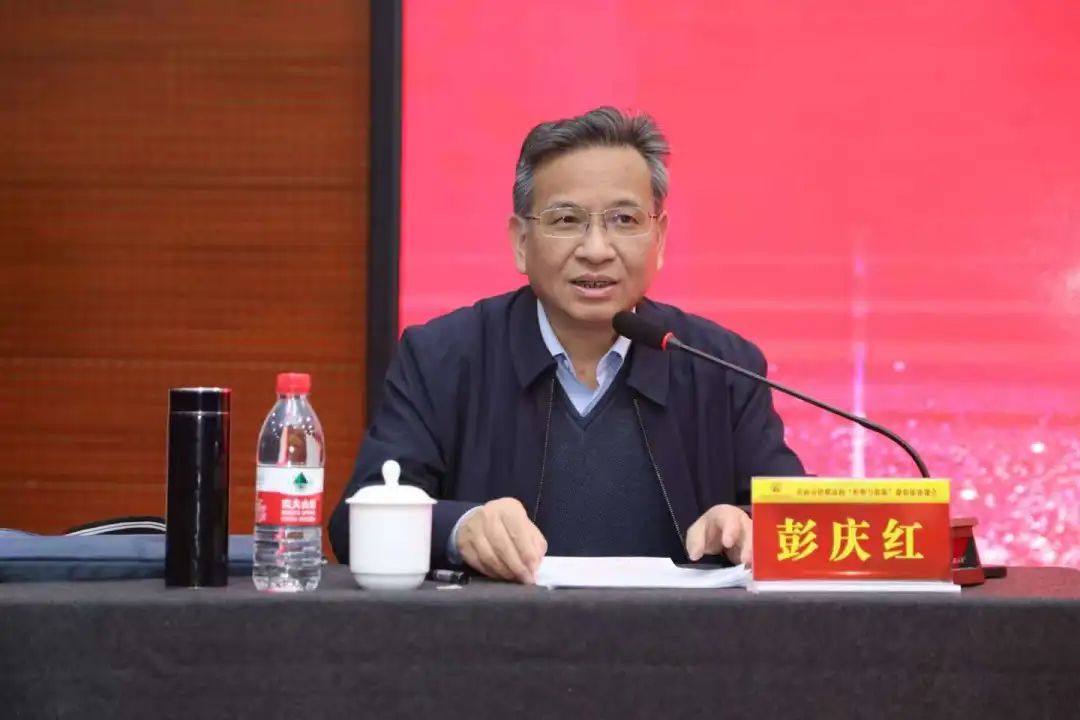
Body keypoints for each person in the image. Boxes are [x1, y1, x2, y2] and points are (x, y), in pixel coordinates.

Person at [329, 106, 805, 583]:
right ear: (521, 241)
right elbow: (353, 523)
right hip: (495, 630)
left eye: (624, 219)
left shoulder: (722, 366)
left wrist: (749, 525)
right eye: (566, 220)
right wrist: (461, 527)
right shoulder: (442, 358)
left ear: (658, 238)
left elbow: (802, 524)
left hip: (681, 632)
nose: (596, 250)